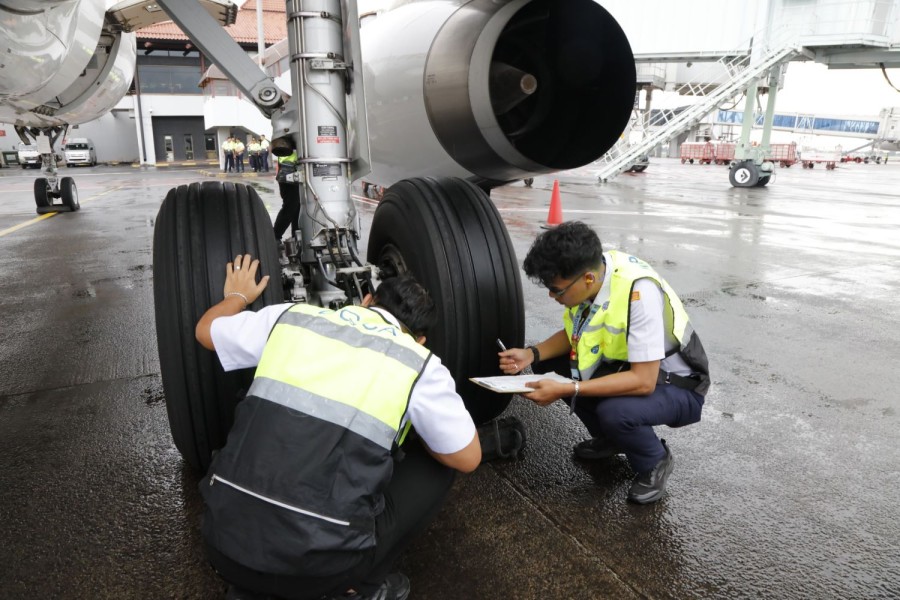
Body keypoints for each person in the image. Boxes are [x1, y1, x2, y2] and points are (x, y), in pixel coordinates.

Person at [195, 255, 481, 600]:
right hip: (319, 575)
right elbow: (468, 458)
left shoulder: (290, 318)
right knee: (441, 462)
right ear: (420, 340)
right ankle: (362, 587)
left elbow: (205, 331)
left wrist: (237, 297)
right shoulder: (419, 364)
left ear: (367, 301)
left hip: (223, 548)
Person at [498, 221, 709, 504]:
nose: (552, 295)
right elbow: (577, 334)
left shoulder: (639, 293)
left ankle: (654, 460)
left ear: (586, 279)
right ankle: (612, 439)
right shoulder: (596, 276)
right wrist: (532, 353)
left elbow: (643, 381)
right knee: (552, 365)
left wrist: (568, 389)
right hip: (630, 369)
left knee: (615, 411)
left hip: (677, 386)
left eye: (557, 290)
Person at [273, 147, 301, 241]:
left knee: (298, 208)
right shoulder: (293, 138)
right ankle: (275, 236)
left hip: (291, 172)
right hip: (289, 174)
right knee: (291, 207)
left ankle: (296, 237)